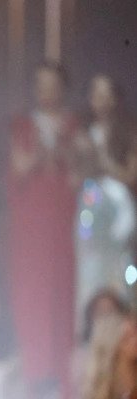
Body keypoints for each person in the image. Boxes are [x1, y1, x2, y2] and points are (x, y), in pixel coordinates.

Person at [7, 61, 79, 399]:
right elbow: (18, 168)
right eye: (41, 84)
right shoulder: (24, 126)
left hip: (65, 226)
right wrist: (42, 150)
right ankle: (35, 383)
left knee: (64, 297)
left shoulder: (74, 127)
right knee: (33, 298)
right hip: (32, 228)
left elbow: (81, 174)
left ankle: (66, 388)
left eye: (52, 85)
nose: (46, 91)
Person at [74, 75, 136, 328]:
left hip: (119, 206)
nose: (101, 101)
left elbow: (130, 175)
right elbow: (77, 176)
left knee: (124, 272)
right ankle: (90, 335)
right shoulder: (81, 134)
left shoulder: (128, 131)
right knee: (89, 272)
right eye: (96, 95)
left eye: (107, 94)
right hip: (91, 204)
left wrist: (104, 161)